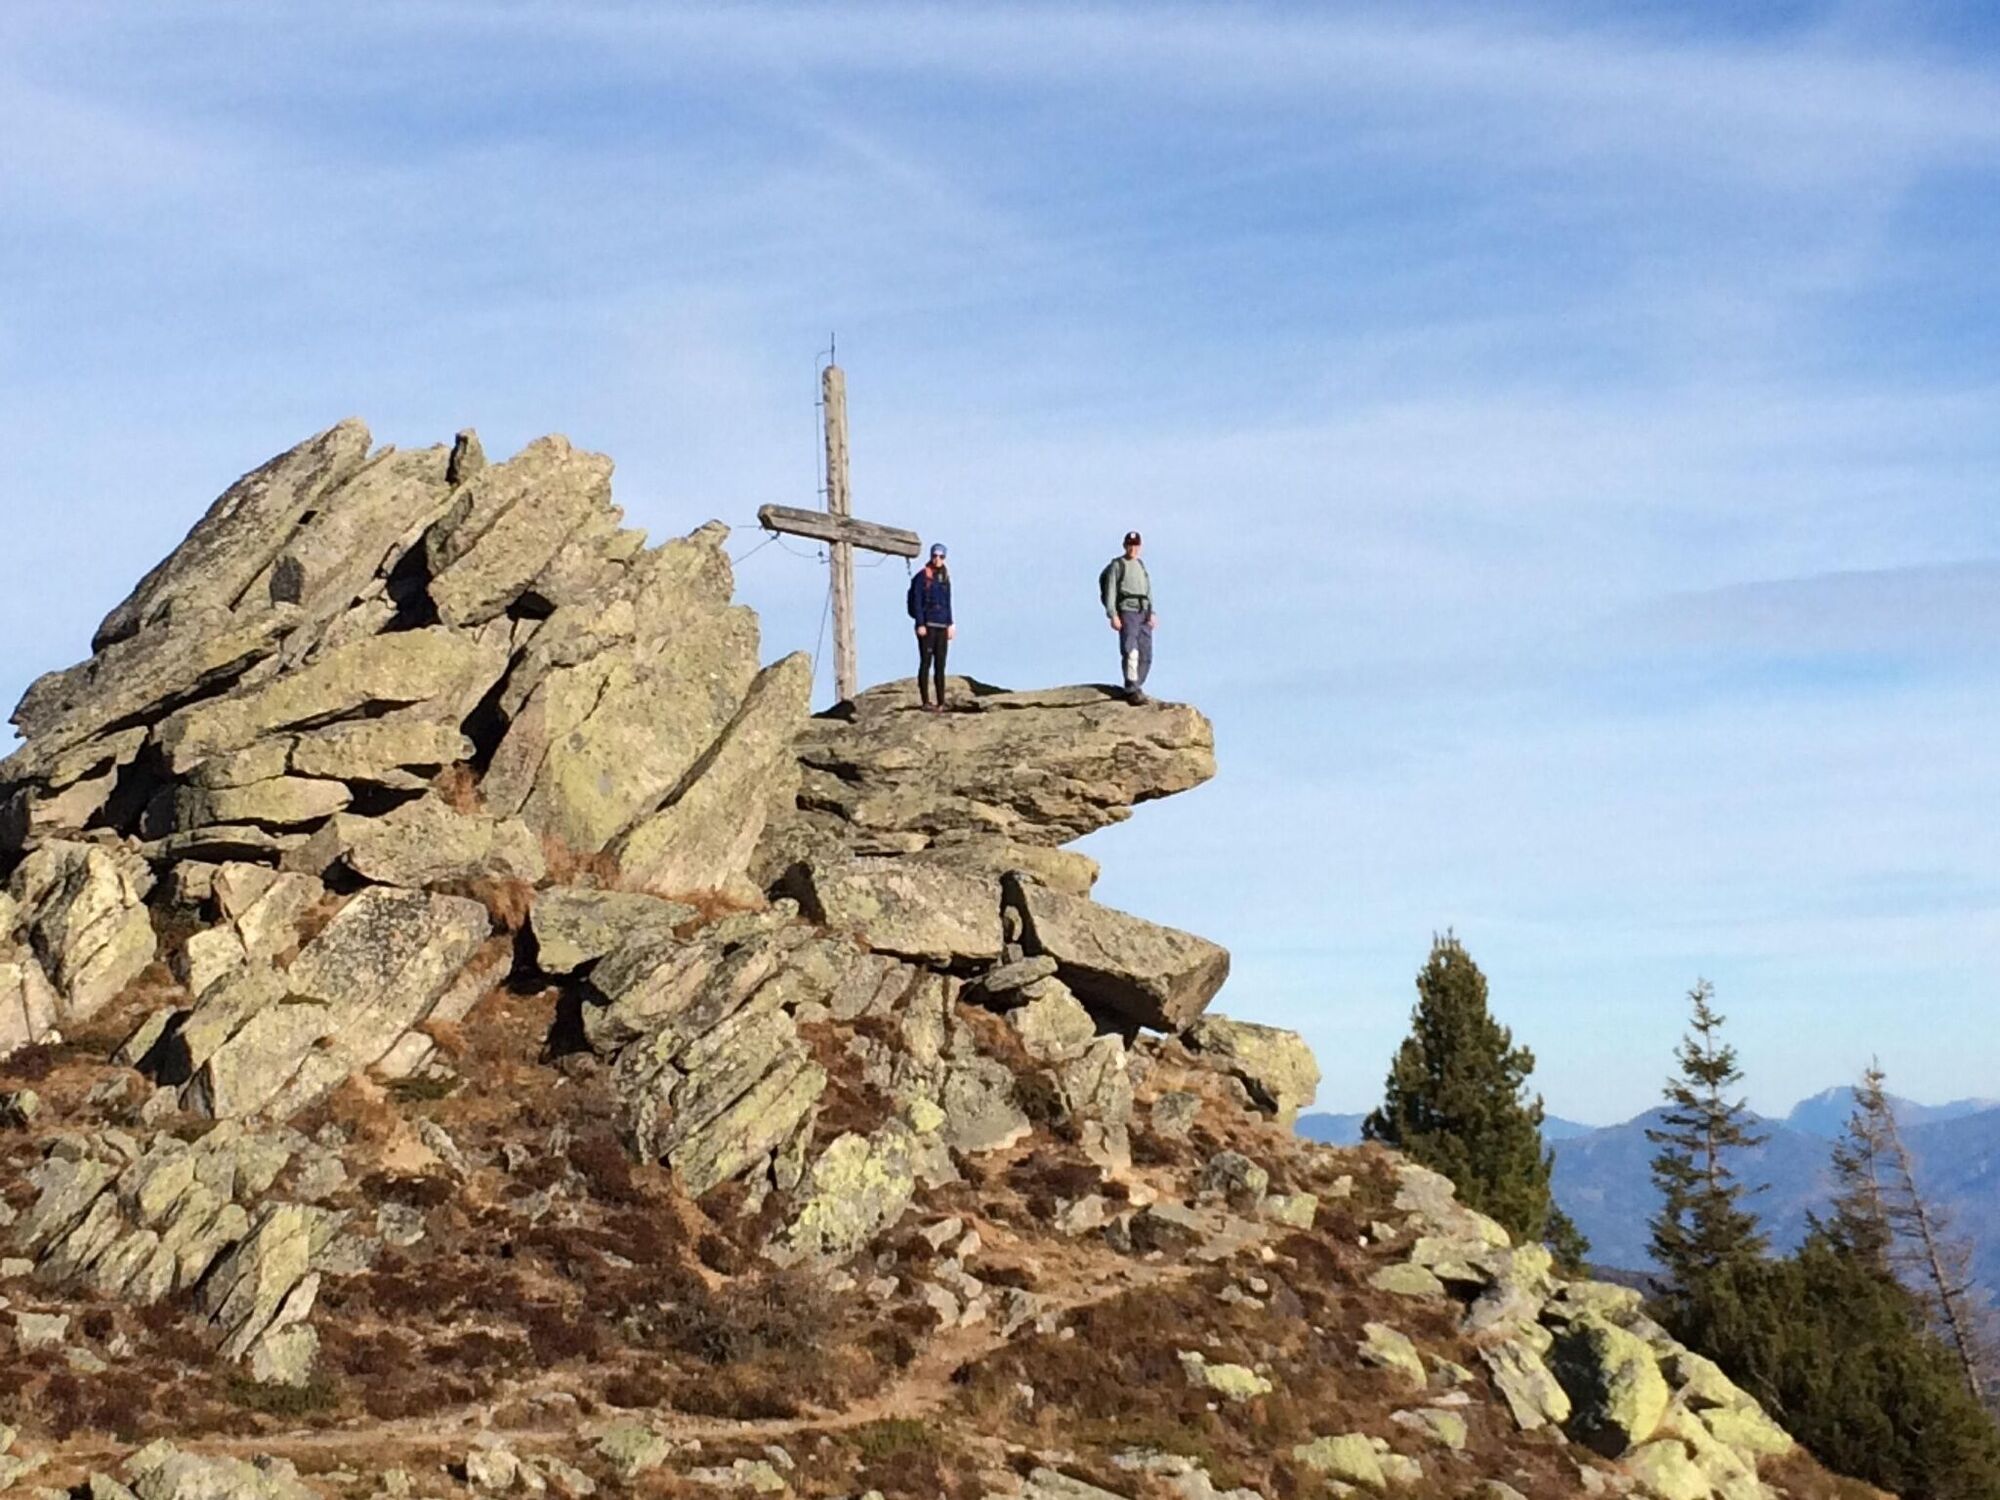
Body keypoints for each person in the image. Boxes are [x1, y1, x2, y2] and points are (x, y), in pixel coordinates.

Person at [1100, 530, 1156, 704]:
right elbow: (1111, 590)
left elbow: (1148, 590)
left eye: (1136, 545)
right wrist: (1112, 614)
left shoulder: (1141, 565)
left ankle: (1137, 685)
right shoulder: (1118, 565)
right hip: (1128, 610)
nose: (1133, 548)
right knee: (1131, 650)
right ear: (1125, 545)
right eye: (1130, 545)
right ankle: (1131, 688)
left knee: (1146, 654)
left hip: (1144, 612)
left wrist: (1152, 612)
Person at [907, 542, 955, 712]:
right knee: (926, 662)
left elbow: (948, 602)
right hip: (927, 626)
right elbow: (917, 602)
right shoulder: (922, 577)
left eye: (941, 556)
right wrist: (920, 623)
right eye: (935, 556)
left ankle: (941, 702)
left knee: (940, 665)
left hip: (942, 625)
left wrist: (951, 624)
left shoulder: (945, 577)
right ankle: (926, 701)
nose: (937, 559)